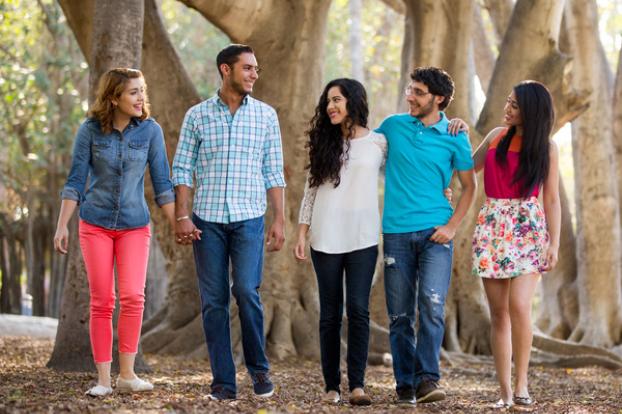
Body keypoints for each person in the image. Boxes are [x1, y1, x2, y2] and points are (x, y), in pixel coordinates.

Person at [295, 77, 466, 406]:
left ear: (353, 102)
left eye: (338, 100)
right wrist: (302, 231)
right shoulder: (323, 143)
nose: (331, 106)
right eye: (328, 101)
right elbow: (310, 190)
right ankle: (332, 385)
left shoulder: (379, 142)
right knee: (330, 313)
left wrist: (441, 187)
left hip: (363, 237)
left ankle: (357, 386)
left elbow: (409, 169)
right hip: (325, 236)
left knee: (358, 311)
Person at [172, 44, 285, 401]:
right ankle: (223, 382)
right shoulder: (198, 116)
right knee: (214, 300)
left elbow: (273, 172)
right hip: (208, 222)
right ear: (226, 69)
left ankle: (259, 370)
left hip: (249, 219)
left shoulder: (266, 116)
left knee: (247, 292)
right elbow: (182, 169)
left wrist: (279, 219)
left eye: (256, 69)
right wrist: (182, 215)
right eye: (248, 68)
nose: (254, 74)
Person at [53, 68, 176, 397]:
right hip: (95, 223)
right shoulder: (90, 130)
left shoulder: (150, 132)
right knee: (103, 300)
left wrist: (181, 222)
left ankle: (127, 375)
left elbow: (163, 185)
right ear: (113, 98)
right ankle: (104, 380)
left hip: (135, 225)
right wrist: (62, 224)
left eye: (142, 90)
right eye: (133, 92)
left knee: (134, 297)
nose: (140, 98)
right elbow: (75, 182)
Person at [376, 66, 477, 406]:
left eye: (418, 92)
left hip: (436, 232)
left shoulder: (454, 134)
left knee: (432, 307)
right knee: (400, 314)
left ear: (439, 99)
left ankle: (428, 379)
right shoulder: (393, 126)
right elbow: (363, 150)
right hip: (396, 233)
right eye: (410, 89)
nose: (410, 97)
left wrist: (451, 228)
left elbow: (469, 188)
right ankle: (405, 383)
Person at [471, 80, 560, 409]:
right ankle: (505, 392)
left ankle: (522, 384)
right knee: (498, 314)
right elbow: (467, 168)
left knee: (520, 306)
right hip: (493, 226)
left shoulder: (547, 147)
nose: (507, 109)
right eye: (507, 102)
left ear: (531, 111)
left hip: (528, 229)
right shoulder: (495, 137)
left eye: (514, 105)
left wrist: (555, 243)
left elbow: (552, 200)